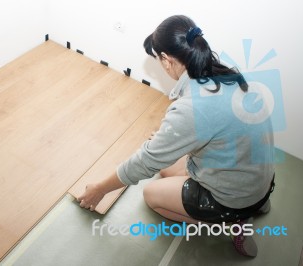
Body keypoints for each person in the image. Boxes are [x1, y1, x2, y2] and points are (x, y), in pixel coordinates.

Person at [77, 15, 275, 257]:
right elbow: (218, 131)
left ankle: (231, 222)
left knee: (152, 195)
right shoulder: (225, 72)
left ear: (166, 60)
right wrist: (169, 140)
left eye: (158, 60)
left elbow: (145, 162)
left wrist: (100, 189)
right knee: (166, 167)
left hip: (235, 197)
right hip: (259, 179)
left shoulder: (193, 106)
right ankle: (256, 204)